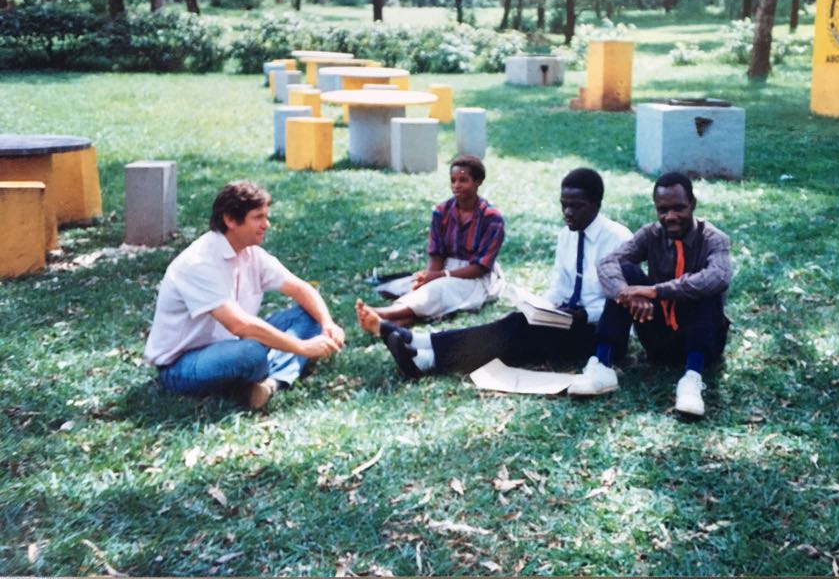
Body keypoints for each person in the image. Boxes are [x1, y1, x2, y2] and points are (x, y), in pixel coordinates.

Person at [379, 168, 632, 378]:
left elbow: (623, 303)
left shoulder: (618, 239)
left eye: (576, 207)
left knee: (515, 332)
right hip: (567, 322)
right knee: (518, 324)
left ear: (597, 204)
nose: (568, 213)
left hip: (599, 334)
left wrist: (585, 314)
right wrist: (542, 307)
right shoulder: (566, 235)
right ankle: (423, 347)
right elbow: (559, 286)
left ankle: (427, 354)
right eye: (564, 205)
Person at [144, 181, 344, 409]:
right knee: (251, 353)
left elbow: (301, 289)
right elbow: (240, 325)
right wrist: (302, 348)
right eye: (258, 217)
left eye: (266, 216)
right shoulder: (199, 262)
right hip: (182, 365)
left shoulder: (251, 253)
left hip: (231, 344)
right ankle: (280, 368)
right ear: (230, 220)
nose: (266, 224)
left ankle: (269, 384)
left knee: (308, 316)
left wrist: (328, 324)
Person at [568, 171, 731, 418]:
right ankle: (601, 365)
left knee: (704, 288)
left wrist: (655, 291)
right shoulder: (651, 234)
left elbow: (718, 277)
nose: (670, 217)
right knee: (625, 272)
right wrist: (627, 293)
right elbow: (608, 263)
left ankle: (692, 380)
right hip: (658, 338)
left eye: (679, 208)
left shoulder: (713, 239)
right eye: (662, 210)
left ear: (693, 204)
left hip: (701, 340)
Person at [356, 154, 504, 335]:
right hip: (446, 268)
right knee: (416, 287)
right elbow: (437, 255)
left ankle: (383, 314)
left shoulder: (492, 218)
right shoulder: (441, 212)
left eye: (463, 180)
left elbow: (480, 267)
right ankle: (390, 326)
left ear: (478, 182)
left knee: (439, 289)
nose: (456, 185)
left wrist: (440, 276)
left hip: (476, 278)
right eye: (453, 180)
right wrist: (429, 276)